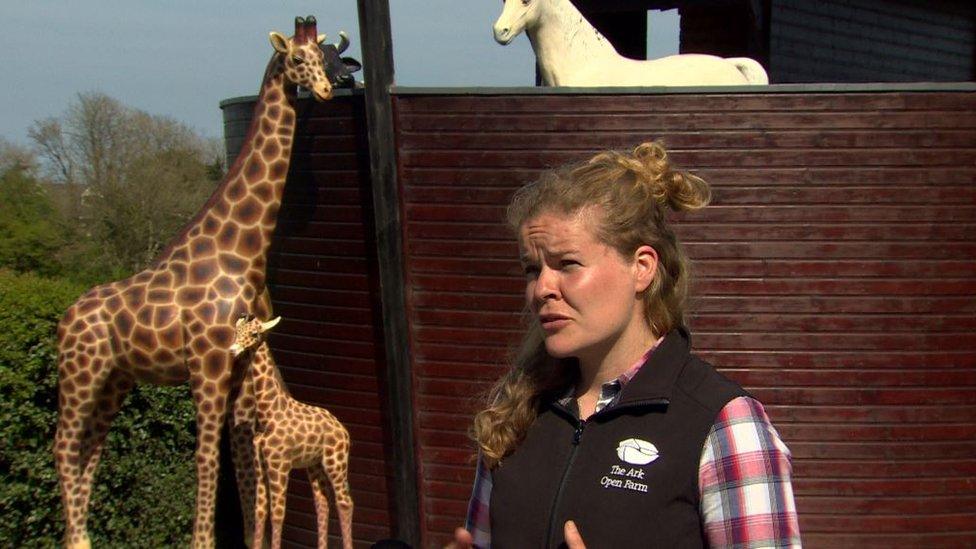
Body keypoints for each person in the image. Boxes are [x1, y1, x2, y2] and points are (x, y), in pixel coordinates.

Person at [448, 142, 801, 548]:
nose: (542, 288)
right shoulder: (515, 412)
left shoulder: (724, 424)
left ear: (642, 268)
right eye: (532, 269)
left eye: (567, 264)